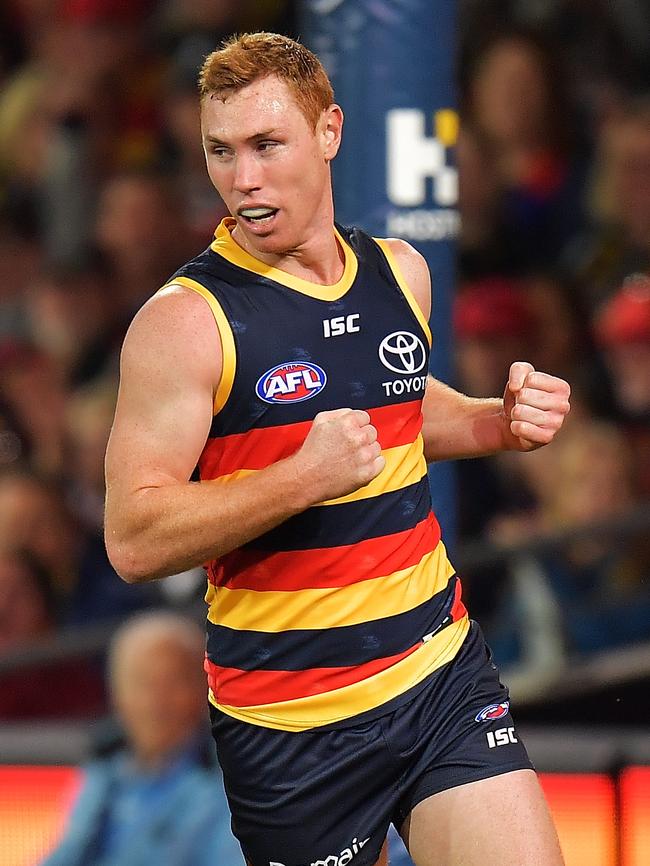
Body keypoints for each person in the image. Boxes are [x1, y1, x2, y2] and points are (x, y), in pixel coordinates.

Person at [104, 32, 571, 866]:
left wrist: (494, 421)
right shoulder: (183, 324)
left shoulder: (399, 271)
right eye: (221, 151)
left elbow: (395, 412)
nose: (243, 178)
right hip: (292, 727)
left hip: (438, 673)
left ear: (329, 132)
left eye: (266, 145)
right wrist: (299, 479)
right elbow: (133, 538)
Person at [42, 611, 244, 866]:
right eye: (142, 683)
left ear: (202, 690)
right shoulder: (104, 773)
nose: (155, 702)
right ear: (117, 695)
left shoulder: (225, 787)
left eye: (171, 683)